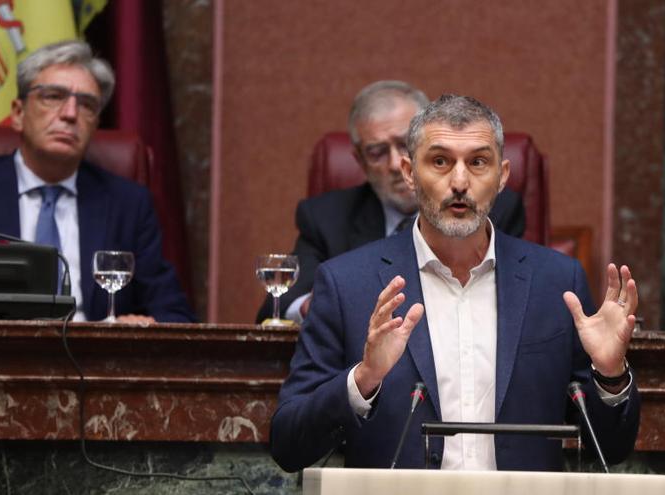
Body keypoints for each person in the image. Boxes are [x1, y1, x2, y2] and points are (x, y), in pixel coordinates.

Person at [270, 95, 640, 472]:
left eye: (478, 162)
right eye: (440, 162)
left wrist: (610, 377)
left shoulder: (558, 283)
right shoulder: (348, 283)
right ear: (410, 172)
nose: (460, 182)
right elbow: (289, 445)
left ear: (503, 176)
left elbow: (610, 450)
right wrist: (363, 379)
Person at [255, 81, 525, 323]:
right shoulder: (326, 217)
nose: (396, 164)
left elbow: (511, 302)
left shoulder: (491, 208)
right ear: (360, 160)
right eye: (377, 152)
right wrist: (323, 303)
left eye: (405, 145)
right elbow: (278, 307)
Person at [0, 41, 195, 323]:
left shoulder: (128, 205)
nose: (70, 114)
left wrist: (147, 328)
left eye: (86, 104)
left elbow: (174, 313)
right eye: (53, 96)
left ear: (96, 123)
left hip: (95, 361)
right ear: (17, 113)